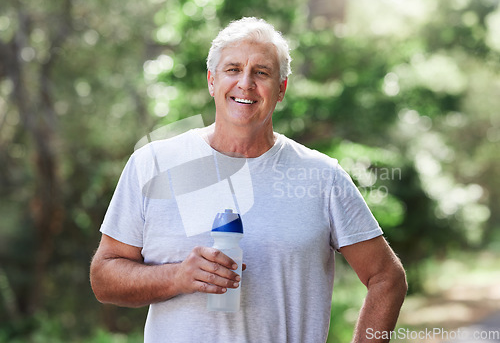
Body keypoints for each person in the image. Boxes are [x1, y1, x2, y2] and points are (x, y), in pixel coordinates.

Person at [90, 17, 407, 343]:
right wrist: (177, 276)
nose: (246, 82)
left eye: (262, 72)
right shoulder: (153, 163)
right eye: (233, 69)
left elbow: (387, 276)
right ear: (212, 81)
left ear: (281, 89)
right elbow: (104, 278)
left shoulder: (321, 177)